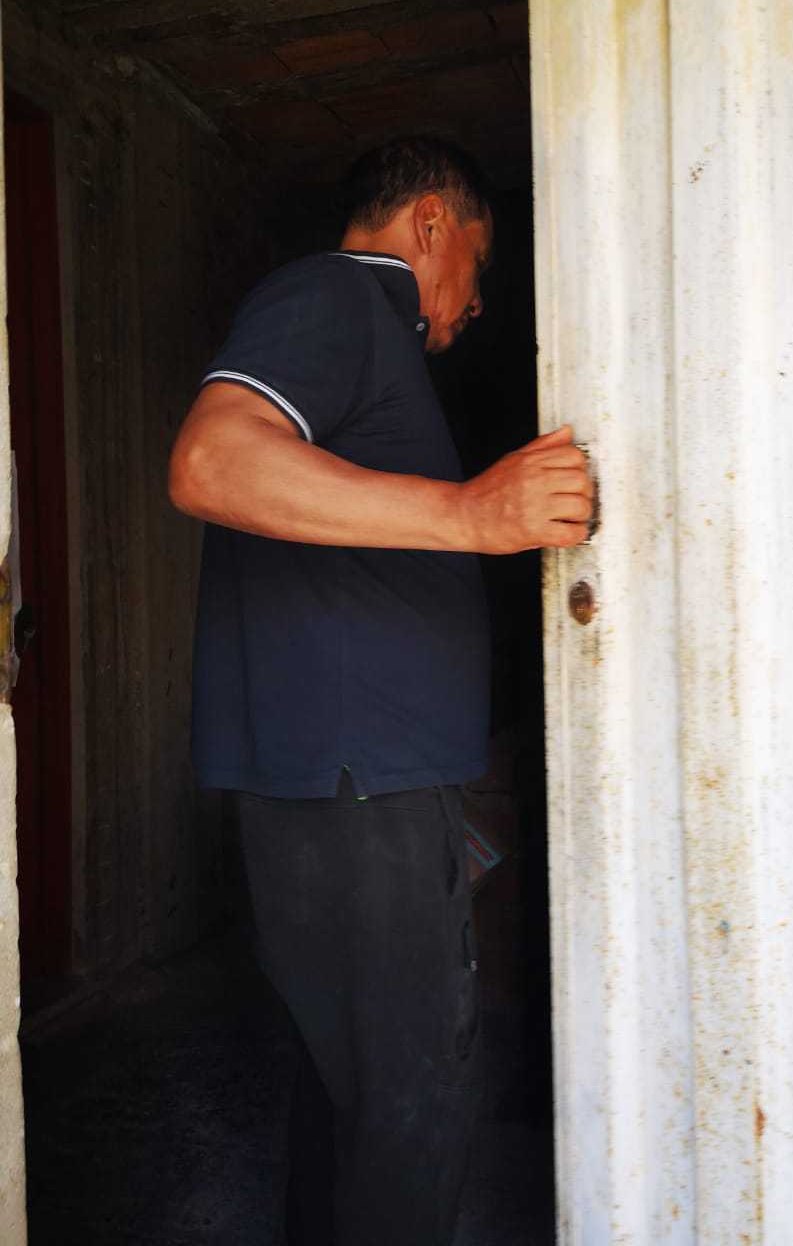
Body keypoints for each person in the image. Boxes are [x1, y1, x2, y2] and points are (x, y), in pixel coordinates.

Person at [168, 136, 592, 1246]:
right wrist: (471, 514)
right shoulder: (340, 297)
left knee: (354, 1099)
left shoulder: (369, 343)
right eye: (478, 268)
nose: (477, 303)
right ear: (431, 224)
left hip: (356, 777)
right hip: (358, 784)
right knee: (412, 1106)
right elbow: (211, 460)